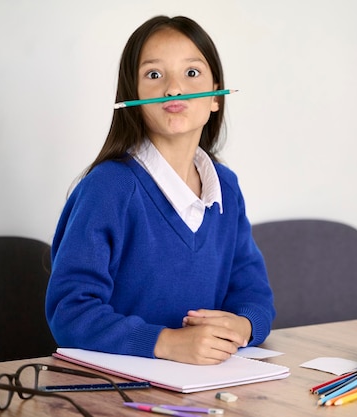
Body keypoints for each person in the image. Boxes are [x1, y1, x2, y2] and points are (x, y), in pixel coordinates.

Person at [45, 15, 275, 365]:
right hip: (118, 390)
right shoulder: (109, 187)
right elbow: (70, 313)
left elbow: (253, 293)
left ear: (216, 97)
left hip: (206, 385)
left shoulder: (225, 186)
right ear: (131, 97)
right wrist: (165, 342)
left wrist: (243, 325)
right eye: (154, 75)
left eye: (192, 73)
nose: (174, 89)